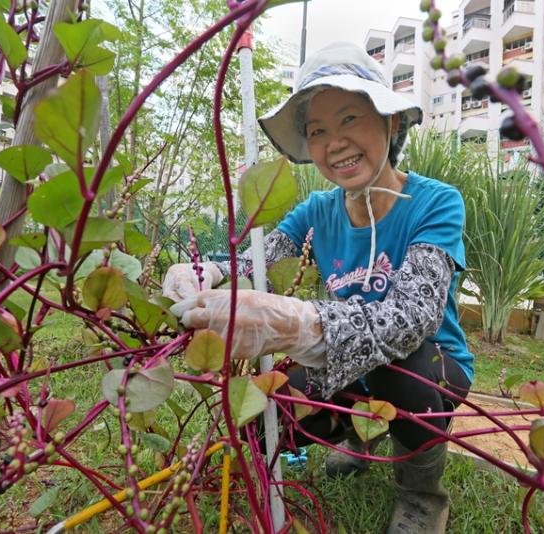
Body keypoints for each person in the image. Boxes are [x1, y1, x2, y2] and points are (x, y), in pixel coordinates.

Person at [166, 42, 474, 533]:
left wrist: (297, 323)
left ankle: (421, 498)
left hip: (430, 363)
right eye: (317, 130)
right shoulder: (317, 213)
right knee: (275, 413)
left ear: (391, 123)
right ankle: (358, 438)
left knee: (403, 369)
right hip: (346, 356)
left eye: (350, 119)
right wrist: (211, 274)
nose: (335, 142)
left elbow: (413, 318)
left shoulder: (435, 203)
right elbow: (258, 262)